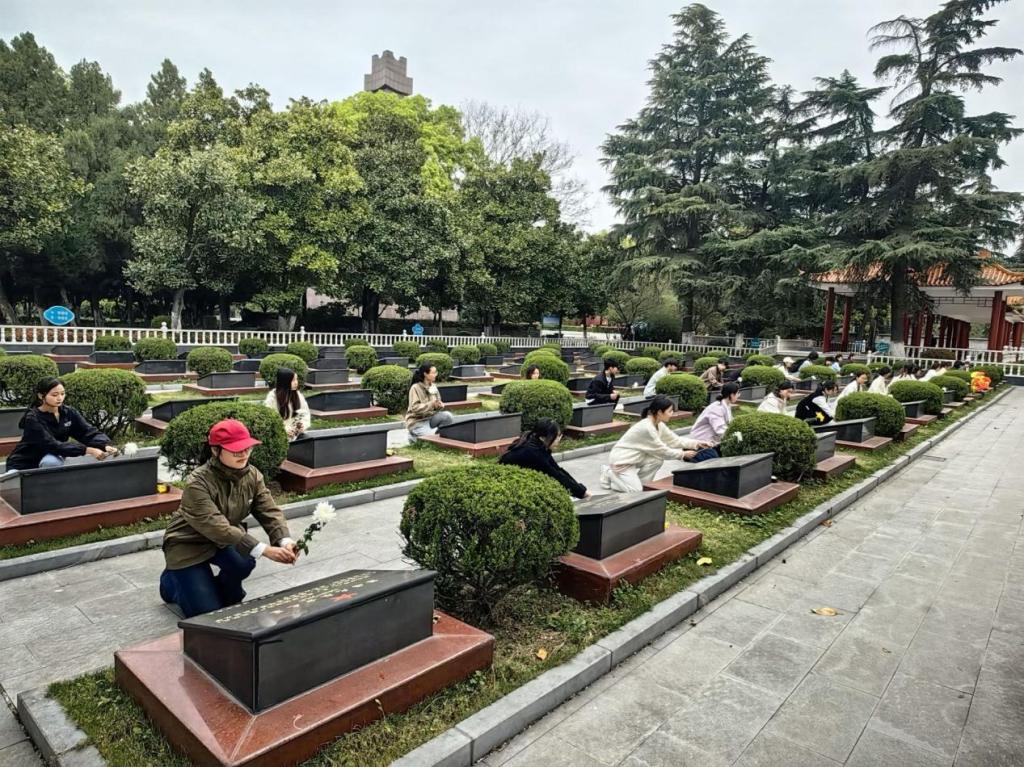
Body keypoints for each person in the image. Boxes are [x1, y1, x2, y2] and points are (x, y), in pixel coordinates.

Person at [159, 419, 297, 618]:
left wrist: (284, 540)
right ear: (215, 450)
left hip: (225, 540)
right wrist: (265, 550)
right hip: (188, 543)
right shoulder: (197, 482)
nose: (243, 454)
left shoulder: (252, 475)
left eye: (247, 448)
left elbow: (268, 510)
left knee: (244, 563)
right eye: (235, 450)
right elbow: (216, 526)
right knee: (206, 614)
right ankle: (171, 583)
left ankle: (209, 588)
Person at [599, 395, 716, 493]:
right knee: (635, 491)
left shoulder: (658, 424)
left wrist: (698, 443)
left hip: (636, 458)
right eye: (670, 411)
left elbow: (675, 440)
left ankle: (639, 484)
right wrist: (683, 454)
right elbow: (662, 451)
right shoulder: (647, 428)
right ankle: (609, 473)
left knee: (656, 460)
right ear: (660, 412)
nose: (672, 414)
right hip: (622, 461)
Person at [6, 377, 117, 471]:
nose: (59, 398)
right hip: (23, 463)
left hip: (51, 456)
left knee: (51, 462)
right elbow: (52, 445)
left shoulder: (68, 412)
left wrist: (105, 444)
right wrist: (88, 450)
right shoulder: (32, 418)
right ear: (41, 396)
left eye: (62, 394)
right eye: (54, 395)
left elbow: (86, 432)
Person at [499, 418, 590, 499]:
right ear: (543, 438)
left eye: (559, 436)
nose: (558, 440)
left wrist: (582, 491)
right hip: (505, 486)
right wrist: (582, 493)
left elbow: (558, 469)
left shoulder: (537, 444)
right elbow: (557, 477)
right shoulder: (534, 453)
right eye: (556, 437)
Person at [405, 362, 455, 442]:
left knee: (448, 416)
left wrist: (438, 405)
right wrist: (431, 404)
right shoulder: (415, 388)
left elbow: (437, 401)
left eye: (436, 372)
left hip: (430, 419)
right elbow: (415, 408)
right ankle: (413, 436)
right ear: (425, 374)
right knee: (433, 438)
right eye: (433, 373)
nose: (436, 374)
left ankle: (432, 433)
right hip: (417, 422)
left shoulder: (433, 386)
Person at [263, 367, 310, 441]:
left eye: (296, 379)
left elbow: (305, 413)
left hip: (295, 434)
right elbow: (270, 419)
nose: (296, 382)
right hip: (279, 436)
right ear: (285, 381)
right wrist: (283, 429)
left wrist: (302, 425)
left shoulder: (297, 395)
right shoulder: (272, 398)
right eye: (293, 380)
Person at [690, 382, 740, 446]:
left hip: (711, 441)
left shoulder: (726, 405)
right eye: (738, 393)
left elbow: (731, 423)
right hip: (700, 442)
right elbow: (720, 429)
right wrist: (735, 436)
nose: (739, 395)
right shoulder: (716, 408)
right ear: (732, 395)